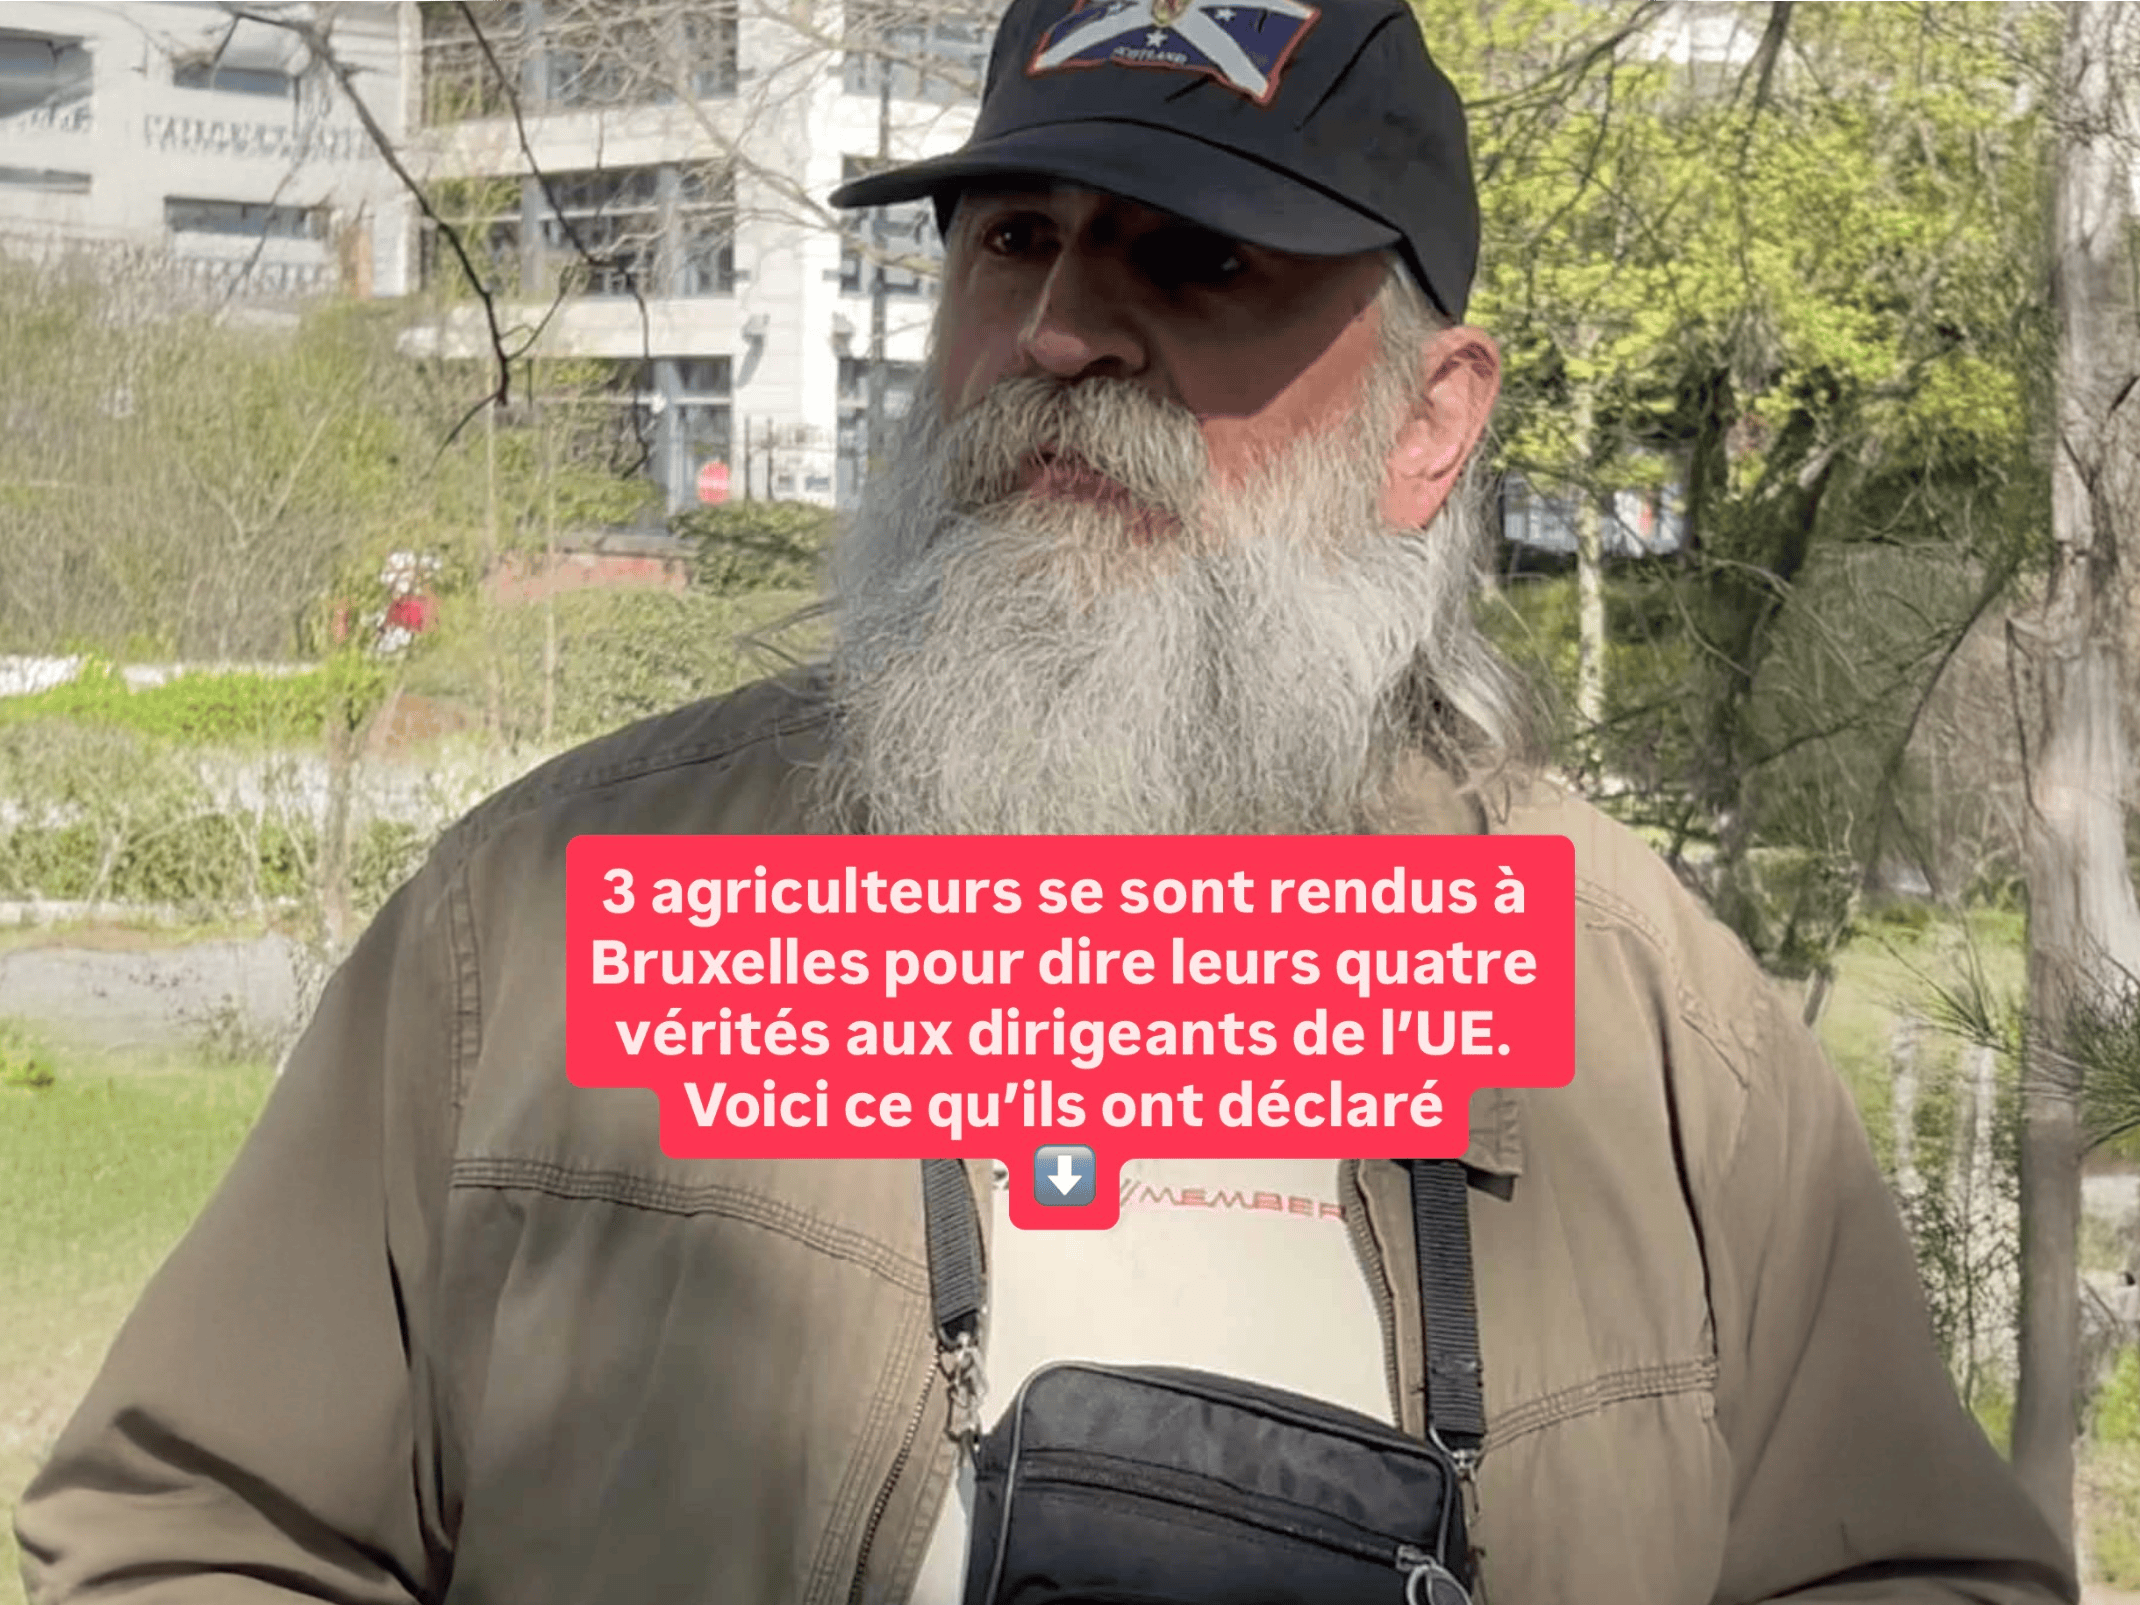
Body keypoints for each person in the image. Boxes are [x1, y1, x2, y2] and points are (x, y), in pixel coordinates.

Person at [13, 0, 2079, 1600]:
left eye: (1197, 261)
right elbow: (197, 1523)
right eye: (1015, 239)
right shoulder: (561, 924)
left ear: (1431, 422)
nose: (1062, 329)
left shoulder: (1640, 1031)